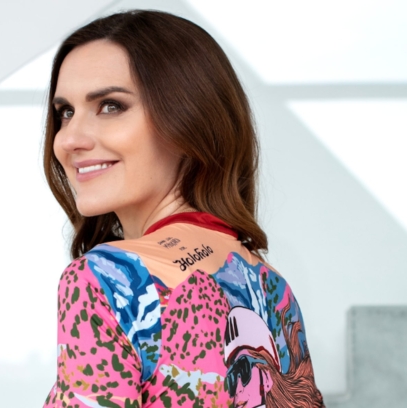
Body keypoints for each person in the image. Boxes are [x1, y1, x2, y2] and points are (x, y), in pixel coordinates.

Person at [41, 9, 324, 408]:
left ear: (187, 119)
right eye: (65, 112)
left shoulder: (106, 281)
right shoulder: (271, 286)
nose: (69, 139)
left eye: (110, 106)